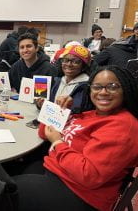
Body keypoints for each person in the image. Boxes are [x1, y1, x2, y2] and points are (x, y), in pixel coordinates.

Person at [13, 66, 138, 211]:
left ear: (125, 89)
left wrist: (58, 143)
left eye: (112, 86)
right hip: (57, 172)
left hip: (81, 195)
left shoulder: (123, 125)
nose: (103, 92)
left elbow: (89, 175)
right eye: (97, 87)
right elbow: (44, 132)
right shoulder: (91, 114)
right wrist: (60, 109)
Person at [35, 45, 91, 113]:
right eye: (65, 60)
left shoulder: (87, 86)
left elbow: (80, 112)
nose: (69, 64)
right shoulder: (57, 81)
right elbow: (51, 105)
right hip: (52, 121)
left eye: (75, 61)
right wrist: (42, 105)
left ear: (84, 66)